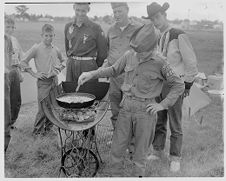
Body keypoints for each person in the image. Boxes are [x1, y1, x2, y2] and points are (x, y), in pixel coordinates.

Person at [77, 23, 185, 177]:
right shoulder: (129, 55)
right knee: (117, 149)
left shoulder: (161, 63)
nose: (138, 54)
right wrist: (92, 74)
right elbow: (113, 70)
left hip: (145, 112)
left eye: (143, 51)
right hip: (126, 107)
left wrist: (162, 105)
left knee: (140, 154)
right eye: (137, 50)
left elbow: (178, 85)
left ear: (153, 48)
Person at [142, 2, 198, 172]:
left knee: (175, 123)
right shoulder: (156, 35)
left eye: (158, 17)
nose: (156, 21)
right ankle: (157, 151)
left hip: (175, 85)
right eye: (152, 19)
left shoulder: (178, 34)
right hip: (159, 84)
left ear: (165, 15)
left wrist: (186, 85)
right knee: (159, 119)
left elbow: (191, 63)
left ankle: (175, 157)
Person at [21, 24, 65, 135]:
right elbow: (23, 62)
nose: (48, 38)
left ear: (54, 35)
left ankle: (48, 129)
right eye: (46, 36)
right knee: (42, 109)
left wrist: (59, 68)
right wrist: (34, 74)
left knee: (52, 107)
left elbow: (64, 61)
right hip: (43, 83)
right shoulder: (36, 48)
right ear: (42, 35)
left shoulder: (56, 49)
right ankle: (37, 132)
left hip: (54, 81)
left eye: (51, 36)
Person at [104, 2, 141, 131]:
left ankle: (131, 143)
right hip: (114, 78)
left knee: (129, 110)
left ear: (127, 10)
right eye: (115, 12)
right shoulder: (110, 30)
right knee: (115, 110)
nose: (117, 15)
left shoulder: (137, 28)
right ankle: (117, 137)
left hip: (130, 78)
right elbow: (108, 52)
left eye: (120, 11)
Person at [65, 2, 108, 82]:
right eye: (77, 10)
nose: (80, 14)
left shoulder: (96, 27)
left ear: (88, 10)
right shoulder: (68, 26)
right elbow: (67, 47)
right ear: (73, 7)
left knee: (88, 93)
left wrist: (93, 65)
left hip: (88, 66)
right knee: (71, 92)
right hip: (71, 65)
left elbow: (103, 52)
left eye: (83, 11)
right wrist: (72, 61)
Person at [5, 17, 24, 130]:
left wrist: (20, 72)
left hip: (15, 71)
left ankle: (11, 123)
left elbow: (21, 57)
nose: (10, 29)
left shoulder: (15, 40)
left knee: (16, 100)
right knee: (5, 100)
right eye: (7, 27)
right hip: (4, 73)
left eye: (12, 27)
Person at [4, 29, 14, 152]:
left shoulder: (7, 39)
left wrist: (8, 69)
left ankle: (4, 149)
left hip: (4, 77)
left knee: (5, 115)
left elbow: (10, 54)